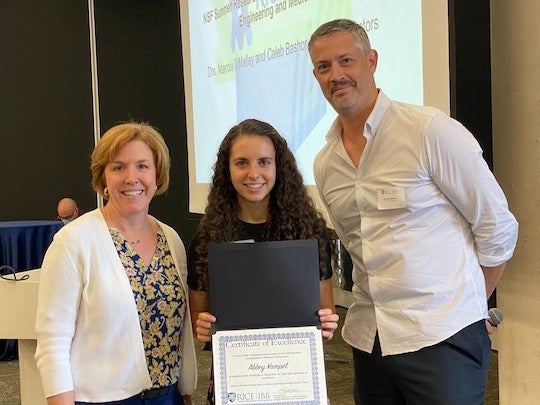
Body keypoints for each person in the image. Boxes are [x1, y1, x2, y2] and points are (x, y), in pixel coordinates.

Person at [308, 19, 518, 405]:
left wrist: (468, 305)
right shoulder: (325, 163)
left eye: (346, 61)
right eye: (324, 67)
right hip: (370, 341)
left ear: (371, 61)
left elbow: (498, 227)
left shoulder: (428, 131)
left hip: (442, 337)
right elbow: (355, 248)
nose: (336, 75)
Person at [35, 122, 197, 405]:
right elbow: (52, 343)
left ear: (158, 175)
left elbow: (179, 333)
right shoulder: (73, 241)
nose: (131, 178)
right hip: (103, 400)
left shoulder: (170, 239)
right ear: (103, 178)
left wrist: (184, 393)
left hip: (167, 397)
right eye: (118, 167)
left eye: (143, 166)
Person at [187, 118, 339, 404]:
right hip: (236, 378)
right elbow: (200, 320)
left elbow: (324, 311)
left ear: (278, 167)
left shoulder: (309, 233)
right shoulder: (208, 239)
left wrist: (325, 325)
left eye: (264, 162)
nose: (253, 173)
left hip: (294, 379)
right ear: (227, 169)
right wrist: (204, 326)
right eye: (242, 162)